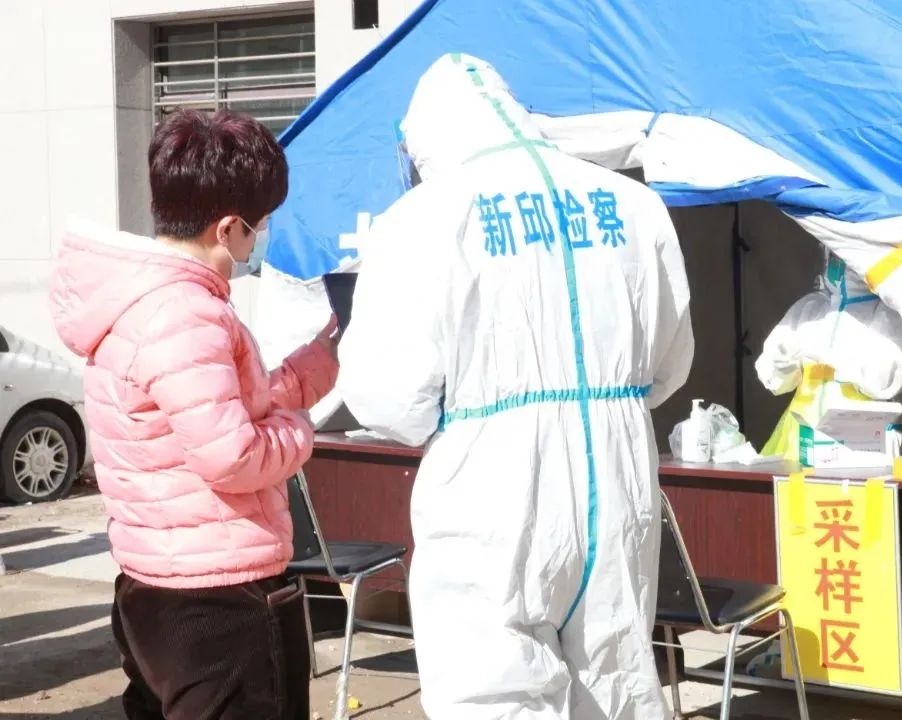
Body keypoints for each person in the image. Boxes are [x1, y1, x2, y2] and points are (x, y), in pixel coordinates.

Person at [338, 54, 694, 720]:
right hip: (619, 473)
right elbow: (669, 366)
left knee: (491, 690)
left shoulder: (421, 218)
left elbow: (389, 399)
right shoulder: (633, 204)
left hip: (490, 480)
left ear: (424, 140)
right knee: (616, 680)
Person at [49, 109, 339, 720]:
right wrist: (302, 432)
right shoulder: (186, 313)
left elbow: (217, 408)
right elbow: (232, 454)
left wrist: (317, 362)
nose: (260, 239)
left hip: (158, 585)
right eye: (260, 226)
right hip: (219, 599)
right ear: (228, 228)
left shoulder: (141, 299)